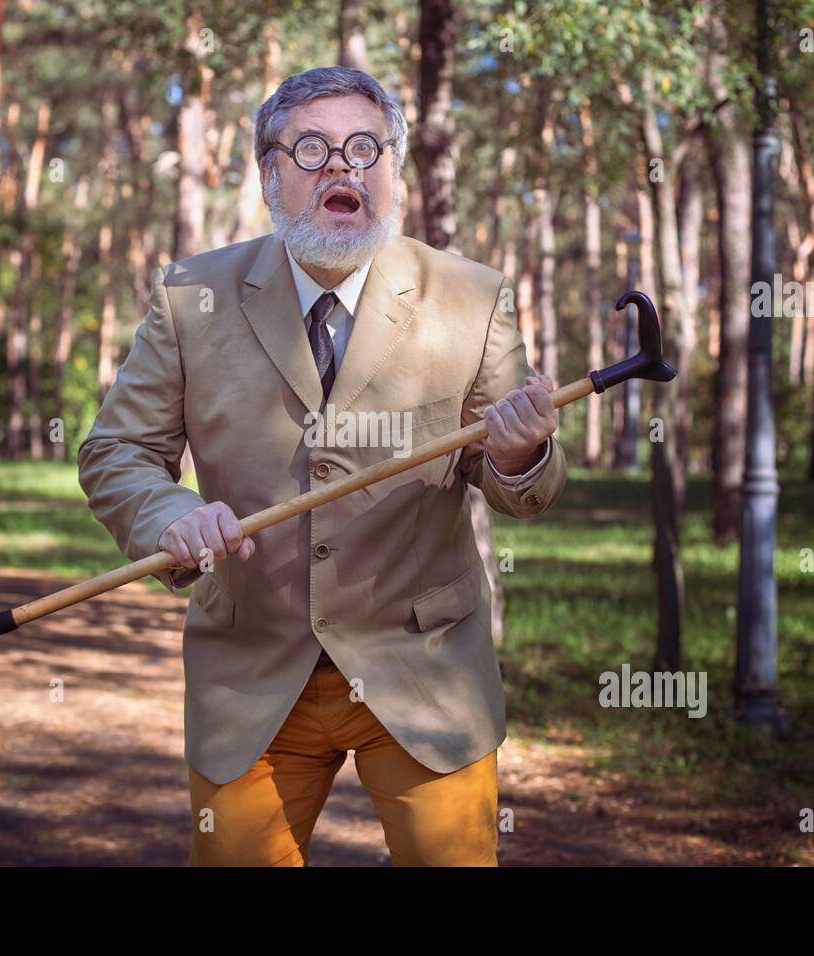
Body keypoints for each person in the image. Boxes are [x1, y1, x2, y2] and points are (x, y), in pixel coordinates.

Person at [78, 65, 567, 866]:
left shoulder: (473, 297)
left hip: (424, 671)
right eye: (312, 148)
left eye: (365, 147)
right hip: (252, 671)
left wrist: (519, 456)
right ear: (269, 172)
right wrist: (173, 517)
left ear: (394, 170)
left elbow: (519, 486)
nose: (343, 166)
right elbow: (116, 451)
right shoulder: (190, 296)